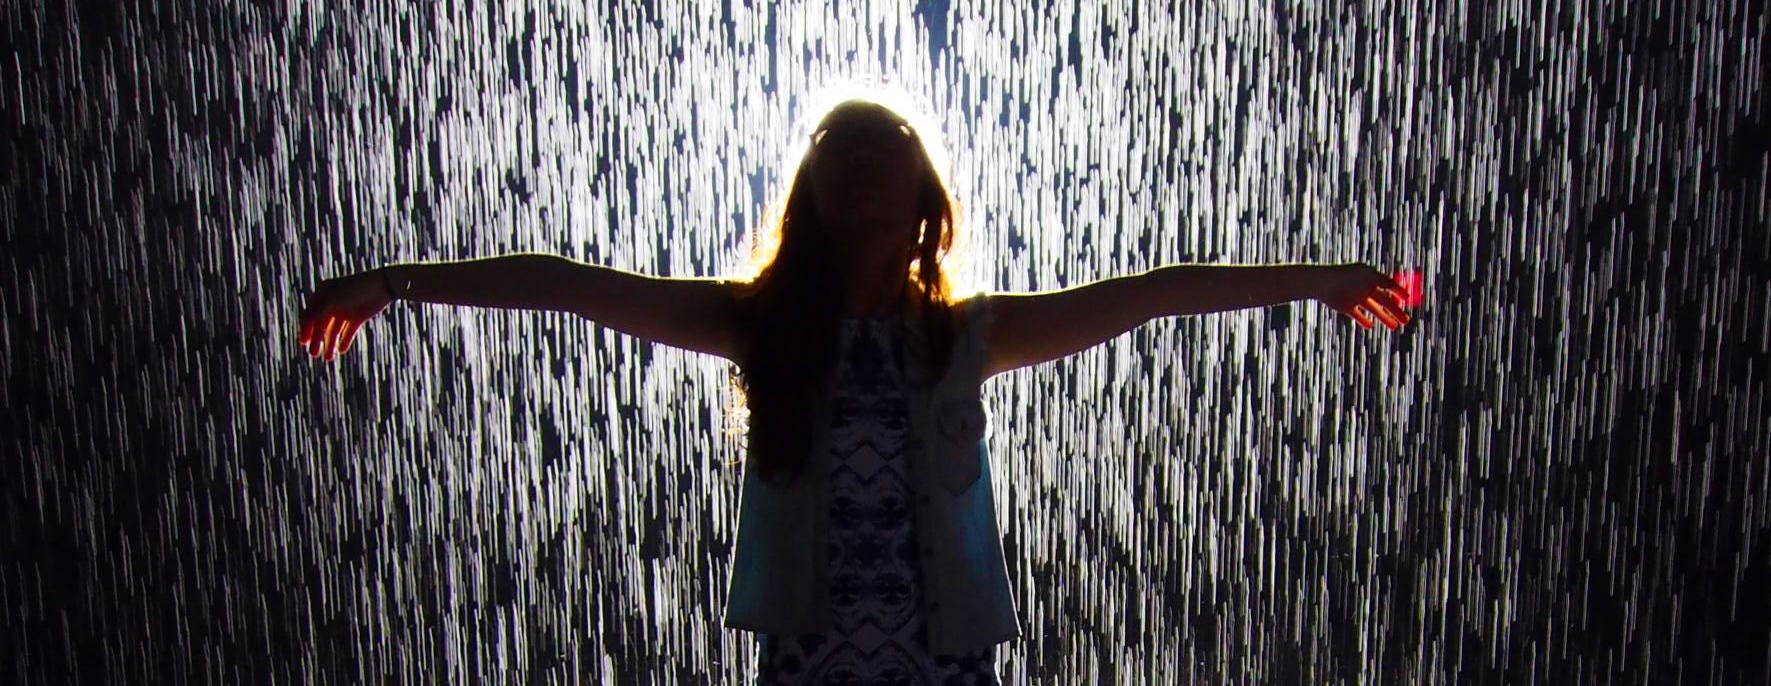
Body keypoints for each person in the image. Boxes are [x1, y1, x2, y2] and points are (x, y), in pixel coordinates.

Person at [297, 94, 1411, 684]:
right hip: (813, 656)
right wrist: (399, 281)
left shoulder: (965, 338)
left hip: (942, 660)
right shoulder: (760, 326)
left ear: (925, 193)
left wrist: (1320, 280)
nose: (857, 151)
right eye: (835, 139)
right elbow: (567, 286)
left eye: (883, 139)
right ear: (811, 187)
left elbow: (1159, 290)